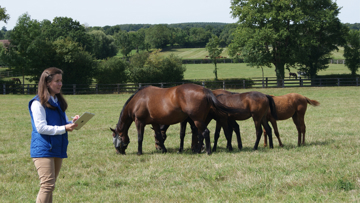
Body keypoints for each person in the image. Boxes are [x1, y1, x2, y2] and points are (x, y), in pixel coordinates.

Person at [28, 67, 79, 203]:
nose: (60, 84)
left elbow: (60, 123)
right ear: (47, 83)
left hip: (57, 147)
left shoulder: (57, 101)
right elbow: (41, 128)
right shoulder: (37, 103)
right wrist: (64, 128)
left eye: (61, 81)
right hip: (44, 148)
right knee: (47, 185)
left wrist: (71, 122)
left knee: (50, 186)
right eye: (57, 81)